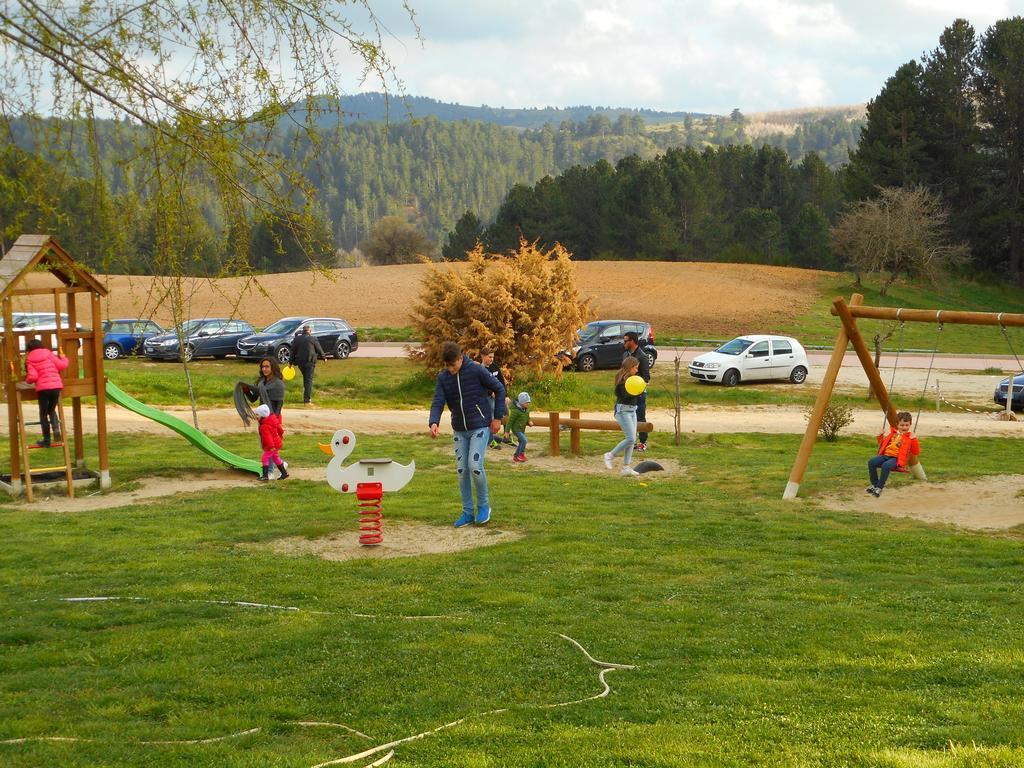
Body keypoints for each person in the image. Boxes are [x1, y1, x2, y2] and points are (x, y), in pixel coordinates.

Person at [429, 341, 507, 527]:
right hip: (460, 429)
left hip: (480, 426)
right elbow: (438, 400)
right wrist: (434, 421)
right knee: (462, 470)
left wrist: (497, 418)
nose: (450, 369)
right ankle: (467, 512)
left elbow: (499, 388)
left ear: (460, 358)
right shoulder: (444, 377)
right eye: (446, 366)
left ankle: (484, 507)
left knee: (475, 465)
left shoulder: (477, 370)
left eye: (452, 365)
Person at [24, 337, 69, 448]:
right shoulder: (49, 354)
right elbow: (62, 366)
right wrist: (64, 358)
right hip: (56, 387)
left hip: (43, 389)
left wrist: (27, 380)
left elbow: (33, 377)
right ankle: (56, 428)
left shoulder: (30, 359)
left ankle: (47, 440)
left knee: (43, 414)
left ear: (29, 349)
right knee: (51, 409)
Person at [867, 411, 919, 497]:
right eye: (902, 425)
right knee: (871, 462)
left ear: (910, 425)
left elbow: (916, 452)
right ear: (897, 425)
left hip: (896, 459)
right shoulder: (892, 434)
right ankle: (874, 485)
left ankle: (879, 487)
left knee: (886, 466)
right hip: (886, 456)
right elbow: (882, 444)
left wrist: (914, 439)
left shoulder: (910, 437)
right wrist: (880, 436)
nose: (904, 427)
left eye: (907, 425)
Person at [604, 356, 641, 476]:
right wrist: (638, 392)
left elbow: (635, 396)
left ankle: (626, 467)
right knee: (631, 438)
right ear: (629, 368)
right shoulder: (621, 382)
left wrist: (641, 390)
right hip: (623, 411)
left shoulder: (634, 380)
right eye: (635, 368)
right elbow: (626, 396)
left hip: (632, 411)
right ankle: (610, 455)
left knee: (632, 439)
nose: (637, 370)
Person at [623, 331, 651, 451]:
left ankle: (643, 442)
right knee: (629, 417)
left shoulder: (642, 357)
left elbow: (646, 377)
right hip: (627, 392)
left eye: (625, 341)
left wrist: (637, 385)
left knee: (640, 416)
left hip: (639, 392)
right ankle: (631, 440)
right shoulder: (625, 355)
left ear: (632, 342)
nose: (623, 343)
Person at [292, 325, 326, 405]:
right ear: (309, 331)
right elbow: (319, 348)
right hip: (310, 362)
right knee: (308, 380)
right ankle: (307, 400)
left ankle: (306, 397)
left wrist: (290, 362)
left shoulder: (297, 339)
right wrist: (324, 357)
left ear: (303, 331)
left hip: (300, 362)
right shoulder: (313, 338)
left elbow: (293, 351)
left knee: (306, 379)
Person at [479, 347, 506, 449]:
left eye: (493, 357)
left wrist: (505, 395)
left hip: (498, 397)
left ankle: (506, 436)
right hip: (487, 398)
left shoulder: (495, 367)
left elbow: (501, 382)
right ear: (483, 356)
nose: (491, 359)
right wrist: (491, 393)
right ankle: (490, 441)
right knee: (490, 418)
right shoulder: (480, 370)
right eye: (489, 357)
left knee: (506, 414)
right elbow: (481, 385)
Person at [255, 403, 288, 482]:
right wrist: (281, 433)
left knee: (265, 458)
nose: (255, 416)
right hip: (276, 443)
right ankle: (284, 473)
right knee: (275, 458)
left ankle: (265, 476)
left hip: (272, 445)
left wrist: (271, 446)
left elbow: (268, 437)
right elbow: (279, 427)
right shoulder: (272, 420)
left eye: (257, 415)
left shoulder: (264, 426)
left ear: (262, 415)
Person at [507, 391, 533, 463]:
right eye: (526, 403)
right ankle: (521, 455)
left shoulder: (526, 410)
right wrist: (507, 431)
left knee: (522, 441)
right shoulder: (515, 411)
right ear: (521, 403)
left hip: (521, 429)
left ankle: (516, 456)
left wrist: (529, 421)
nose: (528, 404)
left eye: (528, 402)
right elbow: (510, 422)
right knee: (524, 440)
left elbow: (527, 416)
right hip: (516, 429)